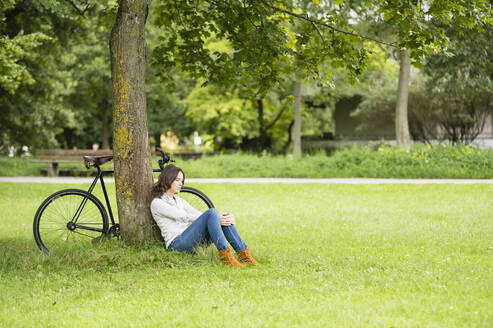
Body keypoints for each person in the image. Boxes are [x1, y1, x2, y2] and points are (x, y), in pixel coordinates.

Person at [150, 164, 258, 268]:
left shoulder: (179, 200)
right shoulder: (157, 203)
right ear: (168, 180)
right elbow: (182, 216)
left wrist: (218, 219)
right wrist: (215, 218)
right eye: (177, 180)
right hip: (177, 244)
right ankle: (226, 257)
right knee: (212, 213)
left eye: (182, 181)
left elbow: (200, 215)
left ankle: (244, 255)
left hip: (190, 241)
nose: (181, 184)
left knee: (219, 215)